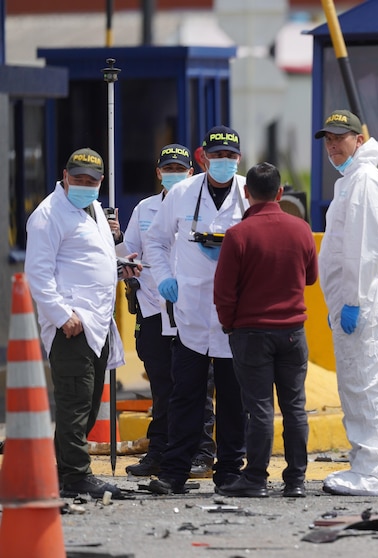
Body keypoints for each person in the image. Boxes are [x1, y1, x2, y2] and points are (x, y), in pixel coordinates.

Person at [24, 147, 140, 499]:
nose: (84, 185)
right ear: (64, 176)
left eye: (91, 181)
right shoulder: (48, 215)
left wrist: (121, 268)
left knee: (87, 405)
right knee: (75, 403)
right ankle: (76, 476)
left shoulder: (95, 211)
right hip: (72, 325)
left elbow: (91, 261)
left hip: (97, 323)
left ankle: (62, 471)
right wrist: (62, 316)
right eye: (78, 179)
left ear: (101, 182)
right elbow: (38, 274)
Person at [142, 126, 248, 495]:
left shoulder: (248, 194)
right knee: (185, 395)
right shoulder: (182, 194)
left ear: (239, 159)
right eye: (217, 156)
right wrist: (165, 278)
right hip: (190, 311)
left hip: (235, 315)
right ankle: (174, 472)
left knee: (234, 399)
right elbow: (155, 241)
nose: (223, 162)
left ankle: (230, 472)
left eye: (230, 157)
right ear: (203, 158)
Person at [214, 162, 317, 498]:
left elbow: (224, 291)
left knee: (259, 409)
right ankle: (296, 480)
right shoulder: (301, 229)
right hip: (293, 332)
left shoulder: (238, 235)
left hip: (251, 333)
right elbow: (311, 277)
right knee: (295, 407)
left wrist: (229, 325)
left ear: (246, 193)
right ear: (280, 192)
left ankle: (256, 478)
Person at [121, 144, 216, 478]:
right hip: (152, 307)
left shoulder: (204, 206)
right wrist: (118, 247)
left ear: (191, 172)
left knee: (198, 385)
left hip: (193, 310)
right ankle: (159, 451)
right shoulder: (144, 208)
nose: (174, 175)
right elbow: (128, 252)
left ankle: (202, 452)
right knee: (162, 386)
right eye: (168, 169)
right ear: (158, 173)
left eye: (180, 169)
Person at [315, 110, 378, 497]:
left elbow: (363, 250)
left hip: (359, 302)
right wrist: (339, 302)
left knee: (363, 385)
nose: (333, 146)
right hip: (350, 303)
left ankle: (371, 472)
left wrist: (351, 301)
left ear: (358, 140)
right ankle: (363, 465)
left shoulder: (364, 180)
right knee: (354, 384)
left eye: (340, 138)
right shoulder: (350, 181)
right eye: (328, 140)